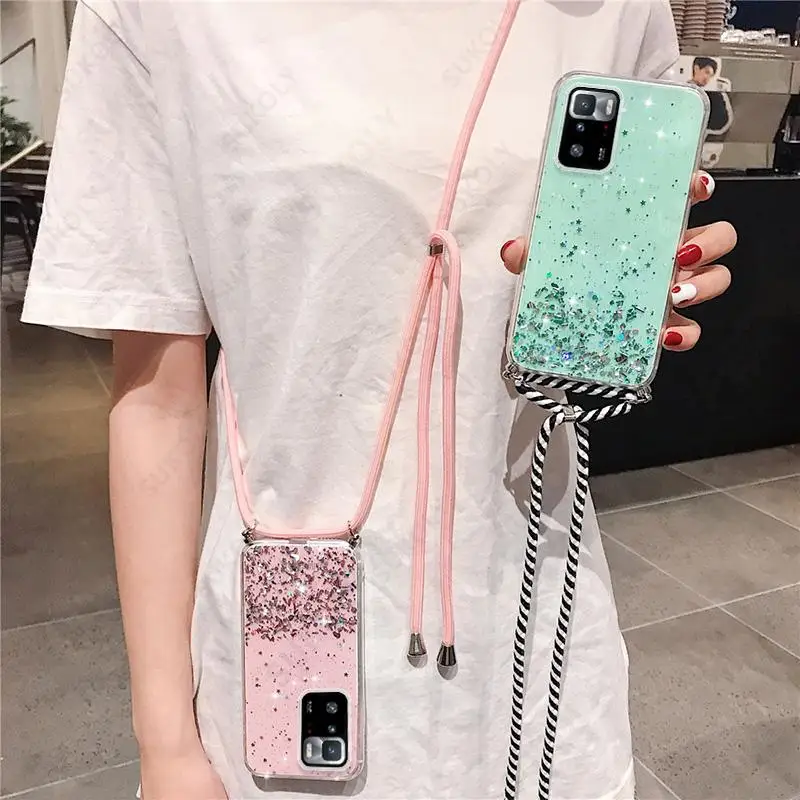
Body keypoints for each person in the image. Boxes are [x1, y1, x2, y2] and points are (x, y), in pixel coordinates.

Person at [22, 1, 736, 798]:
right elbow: (157, 399)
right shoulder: (154, 13)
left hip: (537, 636)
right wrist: (165, 745)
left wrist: (634, 292)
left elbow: (603, 284)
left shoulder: (608, 9)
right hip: (287, 628)